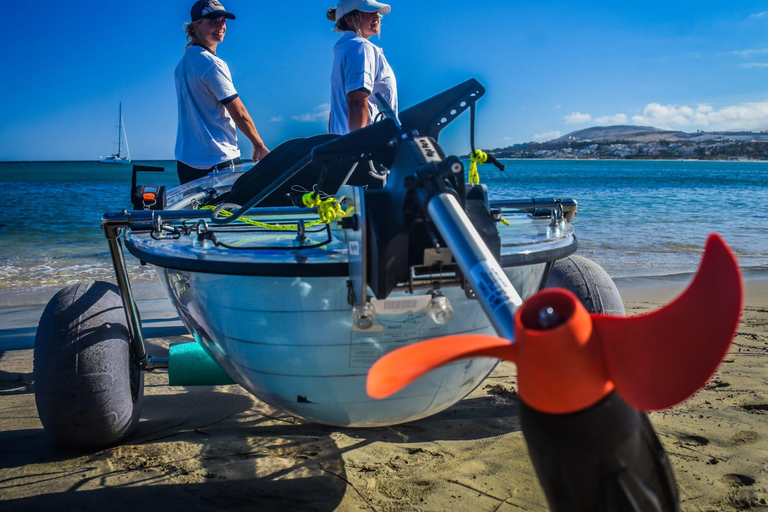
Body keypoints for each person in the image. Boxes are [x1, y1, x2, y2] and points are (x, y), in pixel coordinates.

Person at [175, 0, 269, 184]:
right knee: (226, 213)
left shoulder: (182, 64)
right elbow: (239, 112)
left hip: (187, 163)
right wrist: (258, 145)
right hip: (217, 161)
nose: (220, 26)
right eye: (212, 22)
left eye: (222, 21)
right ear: (196, 26)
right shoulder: (211, 63)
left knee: (198, 214)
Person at [328, 0, 398, 135]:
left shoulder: (344, 48)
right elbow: (357, 101)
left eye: (376, 13)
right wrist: (358, 147)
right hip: (367, 148)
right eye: (368, 12)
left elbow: (335, 112)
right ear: (349, 19)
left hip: (343, 146)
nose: (376, 18)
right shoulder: (361, 47)